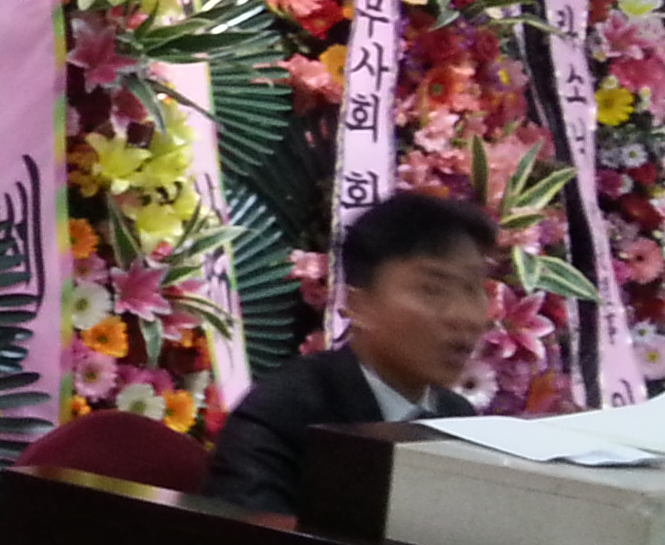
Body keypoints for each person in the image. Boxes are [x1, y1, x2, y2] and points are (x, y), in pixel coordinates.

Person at [207, 190, 498, 518]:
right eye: (432, 289)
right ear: (358, 305)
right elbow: (247, 542)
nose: (465, 316)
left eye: (473, 289)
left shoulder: (457, 417)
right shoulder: (283, 413)